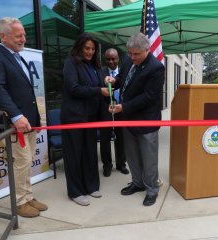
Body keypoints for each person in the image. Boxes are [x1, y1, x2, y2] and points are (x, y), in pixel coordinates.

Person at [0, 17, 47, 218]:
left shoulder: (20, 58)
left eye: (24, 35)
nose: (24, 39)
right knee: (22, 161)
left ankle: (28, 196)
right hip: (15, 123)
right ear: (3, 36)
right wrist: (16, 116)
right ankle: (19, 202)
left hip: (30, 122)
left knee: (28, 161)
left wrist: (35, 119)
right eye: (19, 35)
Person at [106, 33, 165, 206]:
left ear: (147, 50)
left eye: (136, 54)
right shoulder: (128, 60)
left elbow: (148, 97)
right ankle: (138, 183)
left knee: (149, 158)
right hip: (128, 119)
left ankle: (152, 189)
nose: (132, 57)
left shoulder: (156, 68)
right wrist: (113, 80)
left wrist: (123, 107)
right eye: (130, 53)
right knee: (132, 155)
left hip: (146, 121)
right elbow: (122, 80)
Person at [60, 33, 110, 206]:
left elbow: (99, 87)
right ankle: (75, 191)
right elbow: (74, 88)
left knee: (89, 152)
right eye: (87, 48)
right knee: (74, 155)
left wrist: (106, 83)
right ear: (80, 47)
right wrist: (98, 91)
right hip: (74, 117)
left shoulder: (95, 66)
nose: (90, 52)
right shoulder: (71, 63)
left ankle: (91, 186)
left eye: (93, 49)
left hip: (91, 117)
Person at [100, 48, 129, 177]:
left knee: (121, 138)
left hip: (121, 110)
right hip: (106, 110)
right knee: (105, 139)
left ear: (118, 58)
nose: (111, 61)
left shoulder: (124, 72)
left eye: (114, 58)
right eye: (108, 59)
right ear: (104, 59)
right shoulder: (100, 73)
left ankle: (121, 164)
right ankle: (107, 165)